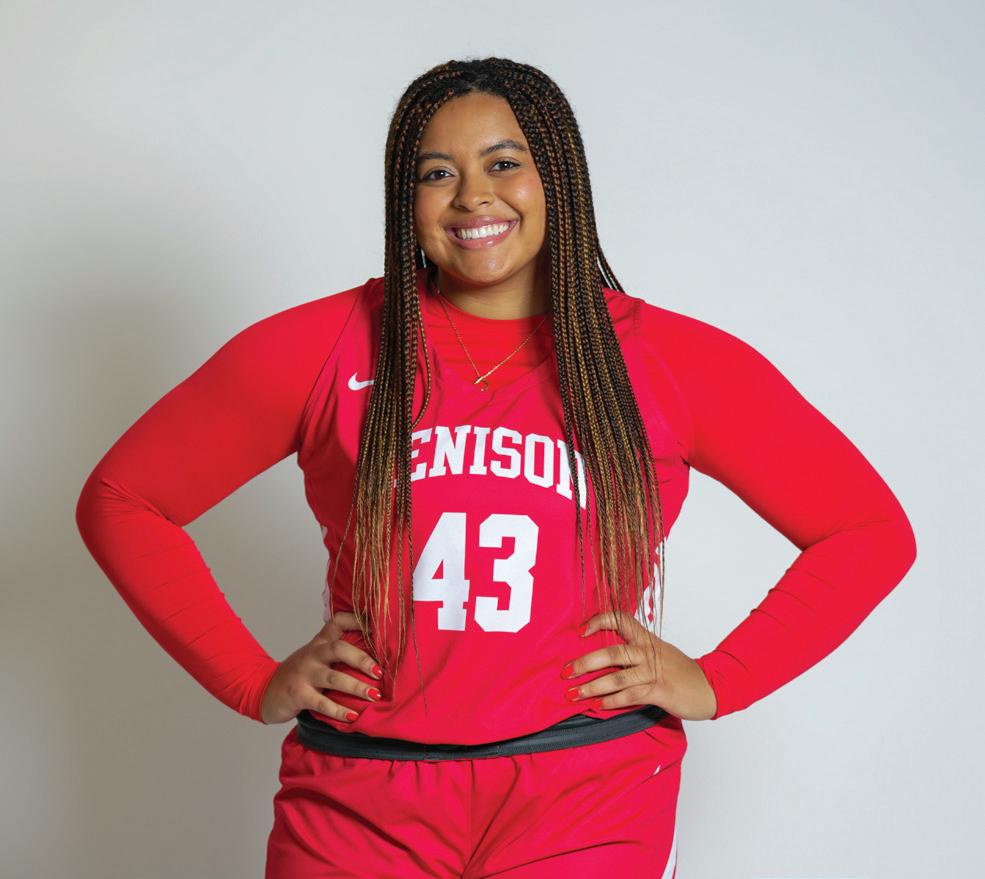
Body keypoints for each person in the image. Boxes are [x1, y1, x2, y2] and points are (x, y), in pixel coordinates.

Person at [75, 57, 917, 878]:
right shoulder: (324, 345)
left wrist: (718, 679)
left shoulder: (667, 358)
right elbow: (124, 497)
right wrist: (250, 678)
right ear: (404, 200)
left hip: (589, 792)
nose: (472, 195)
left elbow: (865, 529)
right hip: (359, 796)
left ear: (558, 179)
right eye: (436, 172)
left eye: (503, 163)